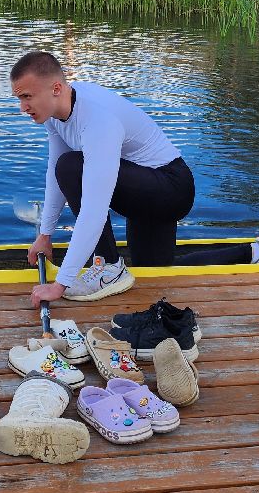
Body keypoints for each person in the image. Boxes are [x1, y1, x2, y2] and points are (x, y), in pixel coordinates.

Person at [10, 50, 195, 306]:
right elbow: (54, 174)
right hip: (141, 188)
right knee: (156, 272)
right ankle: (256, 252)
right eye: (19, 98)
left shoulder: (97, 120)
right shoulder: (56, 114)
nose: (23, 108)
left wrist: (60, 283)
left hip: (169, 188)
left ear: (55, 88)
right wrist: (45, 235)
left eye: (27, 97)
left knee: (71, 167)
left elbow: (93, 210)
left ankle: (109, 266)